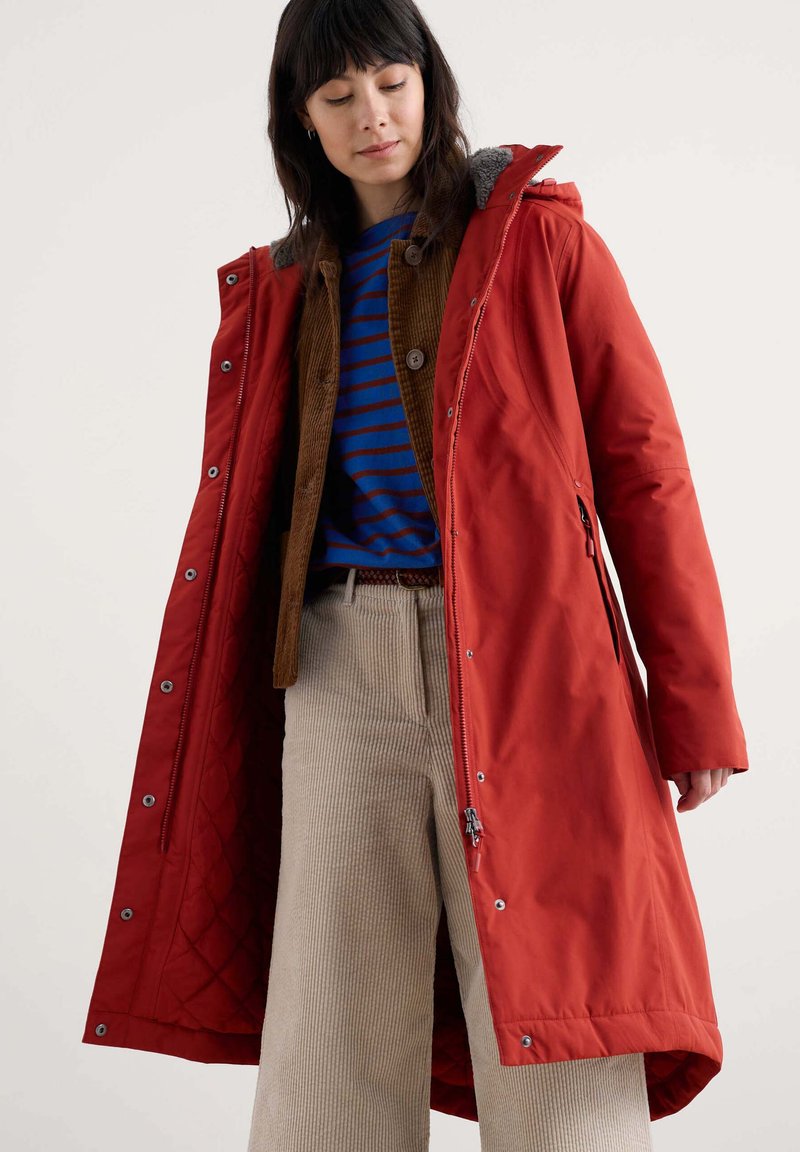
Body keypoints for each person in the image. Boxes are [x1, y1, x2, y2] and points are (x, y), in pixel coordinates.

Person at [81, 1, 750, 1149]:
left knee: (559, 1007)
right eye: (337, 97)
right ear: (300, 120)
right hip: (337, 669)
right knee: (330, 1030)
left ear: (427, 82)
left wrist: (694, 708)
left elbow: (645, 473)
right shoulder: (280, 289)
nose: (372, 117)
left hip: (535, 669)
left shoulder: (540, 243)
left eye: (389, 83)